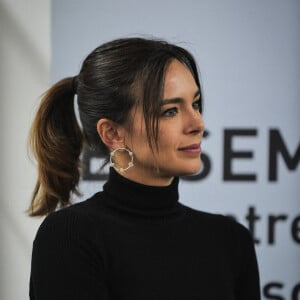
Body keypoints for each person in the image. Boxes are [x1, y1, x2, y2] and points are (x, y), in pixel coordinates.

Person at [28, 37, 261, 299]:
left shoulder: (231, 242)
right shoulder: (70, 237)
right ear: (113, 133)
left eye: (195, 104)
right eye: (170, 111)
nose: (198, 124)